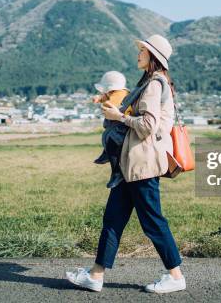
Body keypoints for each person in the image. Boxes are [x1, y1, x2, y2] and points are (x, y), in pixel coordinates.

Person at [65, 34, 186, 294]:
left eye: (142, 50)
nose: (138, 53)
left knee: (153, 222)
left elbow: (147, 126)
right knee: (113, 220)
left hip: (142, 166)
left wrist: (119, 117)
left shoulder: (155, 84)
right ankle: (96, 275)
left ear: (153, 55)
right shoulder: (149, 82)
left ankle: (176, 276)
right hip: (130, 166)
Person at [91, 70, 133, 188]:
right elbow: (105, 96)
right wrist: (99, 98)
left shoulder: (119, 94)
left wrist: (102, 104)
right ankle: (107, 153)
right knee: (107, 139)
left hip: (121, 125)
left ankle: (116, 172)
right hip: (117, 123)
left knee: (112, 143)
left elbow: (110, 104)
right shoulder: (114, 92)